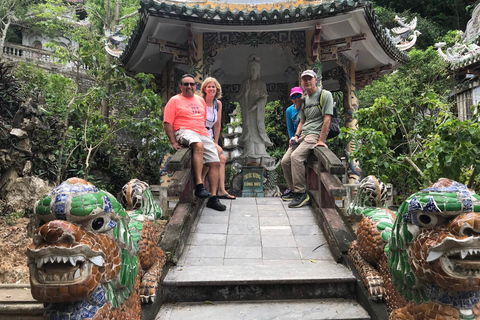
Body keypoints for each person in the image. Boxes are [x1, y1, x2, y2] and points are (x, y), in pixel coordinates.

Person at [163, 74, 226, 211]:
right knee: (198, 145)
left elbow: (203, 121)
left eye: (192, 84)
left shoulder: (200, 100)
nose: (189, 87)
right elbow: (167, 122)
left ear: (196, 86)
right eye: (186, 84)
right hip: (184, 130)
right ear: (181, 87)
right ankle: (199, 185)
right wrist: (173, 141)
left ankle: (213, 198)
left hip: (202, 132)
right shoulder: (174, 100)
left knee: (215, 161)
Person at [281, 70, 334, 208]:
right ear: (302, 83)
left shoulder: (324, 95)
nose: (307, 82)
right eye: (304, 80)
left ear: (316, 80)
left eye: (309, 79)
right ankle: (293, 190)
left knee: (296, 157)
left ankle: (301, 193)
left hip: (314, 134)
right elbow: (302, 121)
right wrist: (296, 136)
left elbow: (327, 119)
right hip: (303, 135)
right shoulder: (305, 100)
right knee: (285, 161)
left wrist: (321, 140)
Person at [200, 77, 236, 200]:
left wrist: (215, 142)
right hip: (200, 134)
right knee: (219, 153)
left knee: (222, 158)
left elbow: (217, 125)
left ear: (217, 89)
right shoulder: (200, 102)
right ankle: (200, 182)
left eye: (213, 87)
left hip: (210, 136)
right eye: (209, 86)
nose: (211, 89)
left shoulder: (217, 103)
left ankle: (221, 190)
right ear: (204, 89)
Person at [236, 55, 273, 160]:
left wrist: (257, 104)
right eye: (251, 69)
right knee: (249, 129)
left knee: (258, 128)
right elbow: (240, 97)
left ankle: (261, 151)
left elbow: (264, 98)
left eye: (255, 69)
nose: (253, 71)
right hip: (248, 112)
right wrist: (246, 94)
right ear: (248, 71)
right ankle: (249, 150)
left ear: (259, 71)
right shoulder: (245, 83)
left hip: (258, 112)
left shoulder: (261, 84)